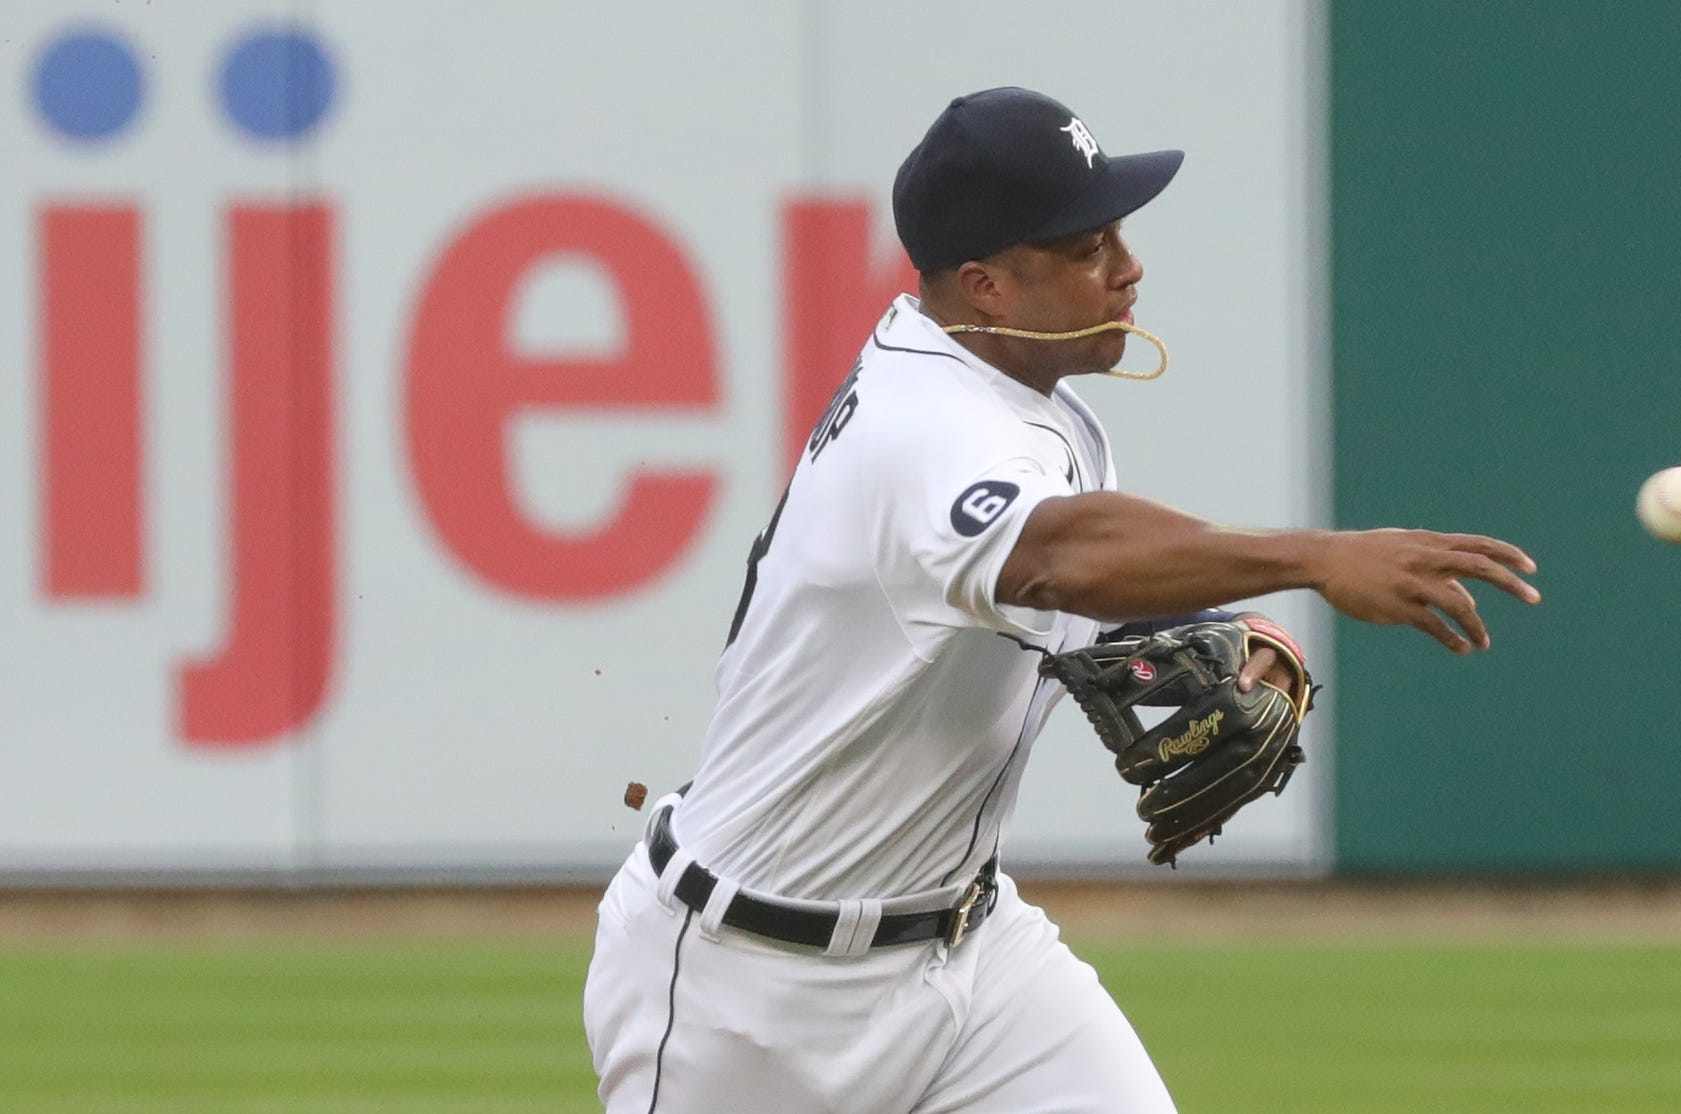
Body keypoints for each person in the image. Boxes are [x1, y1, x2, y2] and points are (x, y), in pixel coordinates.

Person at [583, 86, 1540, 1113]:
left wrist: (1222, 638)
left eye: (1116, 234)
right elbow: (1052, 559)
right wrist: (1311, 558)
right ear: (987, 285)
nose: (1127, 268)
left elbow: (1072, 590)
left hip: (970, 956)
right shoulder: (923, 422)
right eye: (1088, 247)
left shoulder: (1045, 412)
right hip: (749, 987)